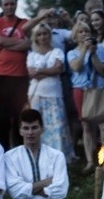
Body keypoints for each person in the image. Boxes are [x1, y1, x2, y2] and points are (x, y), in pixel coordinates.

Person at [0, 0, 31, 149]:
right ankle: (3, 148)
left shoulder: (24, 23)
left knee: (19, 114)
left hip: (20, 76)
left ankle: (19, 148)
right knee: (2, 116)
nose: (9, 7)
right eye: (6, 4)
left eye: (12, 4)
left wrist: (7, 44)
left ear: (16, 4)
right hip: (0, 75)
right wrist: (18, 43)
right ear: (1, 6)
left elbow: (28, 45)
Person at [27, 23, 74, 158]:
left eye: (45, 33)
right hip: (36, 94)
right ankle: (39, 154)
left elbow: (58, 69)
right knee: (37, 125)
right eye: (39, 34)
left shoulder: (57, 52)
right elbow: (31, 74)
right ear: (36, 37)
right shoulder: (32, 55)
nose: (43, 37)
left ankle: (58, 155)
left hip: (53, 94)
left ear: (49, 35)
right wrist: (48, 71)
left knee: (56, 125)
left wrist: (40, 70)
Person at [68, 21, 104, 169]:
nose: (84, 34)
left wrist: (93, 54)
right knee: (86, 125)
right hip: (81, 90)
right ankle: (90, 160)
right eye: (81, 32)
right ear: (75, 35)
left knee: (103, 126)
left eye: (87, 31)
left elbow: (103, 70)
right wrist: (84, 50)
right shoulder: (72, 53)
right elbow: (76, 67)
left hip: (98, 90)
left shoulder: (98, 50)